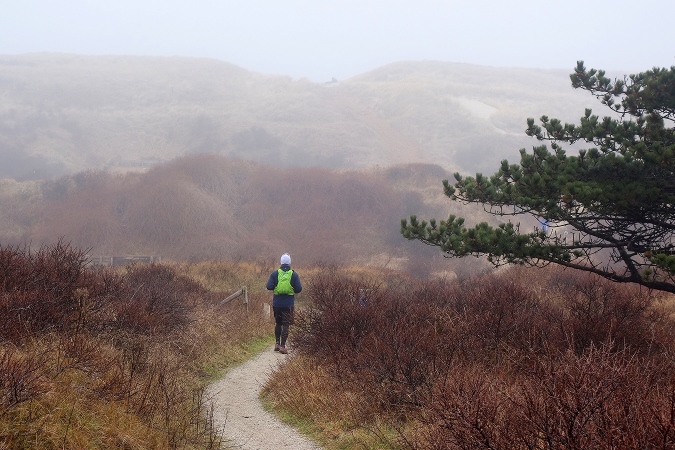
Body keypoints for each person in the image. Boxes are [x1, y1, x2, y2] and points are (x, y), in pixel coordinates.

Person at [266, 253, 302, 354]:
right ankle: (283, 346)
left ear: (281, 262)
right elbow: (299, 289)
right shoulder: (294, 274)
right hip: (288, 304)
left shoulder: (275, 274)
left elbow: (269, 286)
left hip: (277, 303)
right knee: (286, 324)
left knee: (278, 323)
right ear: (289, 262)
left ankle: (277, 343)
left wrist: (276, 287)